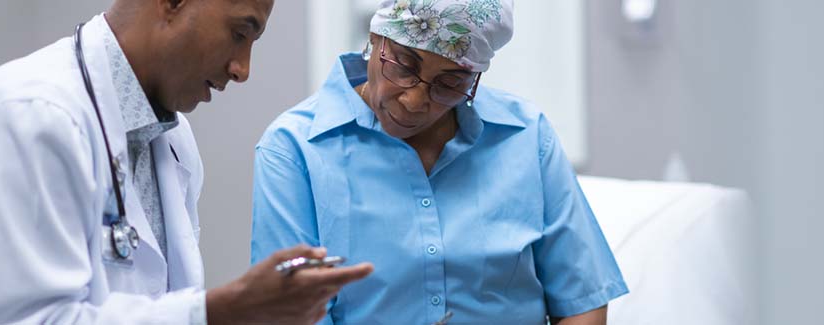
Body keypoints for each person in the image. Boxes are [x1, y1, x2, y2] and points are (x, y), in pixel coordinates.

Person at [0, 0, 372, 323]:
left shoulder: (172, 140)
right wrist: (226, 310)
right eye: (240, 33)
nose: (242, 69)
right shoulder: (28, 116)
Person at [250, 0, 627, 323]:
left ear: (474, 78)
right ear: (375, 38)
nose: (414, 102)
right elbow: (289, 315)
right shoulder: (295, 150)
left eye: (449, 83)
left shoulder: (527, 137)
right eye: (403, 65)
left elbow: (583, 302)